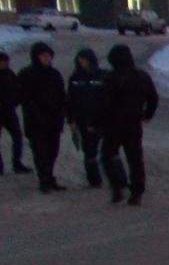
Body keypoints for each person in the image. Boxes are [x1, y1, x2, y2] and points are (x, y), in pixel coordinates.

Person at [100, 42, 159, 206]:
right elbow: (153, 98)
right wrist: (147, 115)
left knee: (107, 156)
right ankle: (137, 193)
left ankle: (118, 186)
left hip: (114, 125)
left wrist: (99, 123)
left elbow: (103, 103)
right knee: (135, 159)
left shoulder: (110, 78)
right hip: (134, 123)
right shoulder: (141, 76)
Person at [17, 41, 66, 192]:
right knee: (40, 153)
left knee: (52, 151)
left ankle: (49, 177)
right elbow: (23, 97)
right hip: (36, 122)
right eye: (43, 56)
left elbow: (62, 96)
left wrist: (62, 113)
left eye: (49, 56)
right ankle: (44, 180)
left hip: (53, 121)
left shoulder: (55, 74)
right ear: (36, 57)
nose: (47, 59)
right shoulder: (27, 74)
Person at [66, 47, 108, 189]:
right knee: (89, 150)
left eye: (84, 59)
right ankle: (94, 179)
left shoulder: (102, 75)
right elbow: (70, 100)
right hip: (83, 119)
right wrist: (71, 120)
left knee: (107, 149)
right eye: (80, 60)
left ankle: (115, 176)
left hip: (101, 118)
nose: (82, 62)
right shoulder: (75, 78)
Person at [0, 50, 29, 176]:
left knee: (18, 137)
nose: (5, 64)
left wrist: (16, 101)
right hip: (5, 111)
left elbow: (18, 89)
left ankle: (17, 163)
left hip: (9, 111)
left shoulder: (9, 73)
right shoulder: (8, 74)